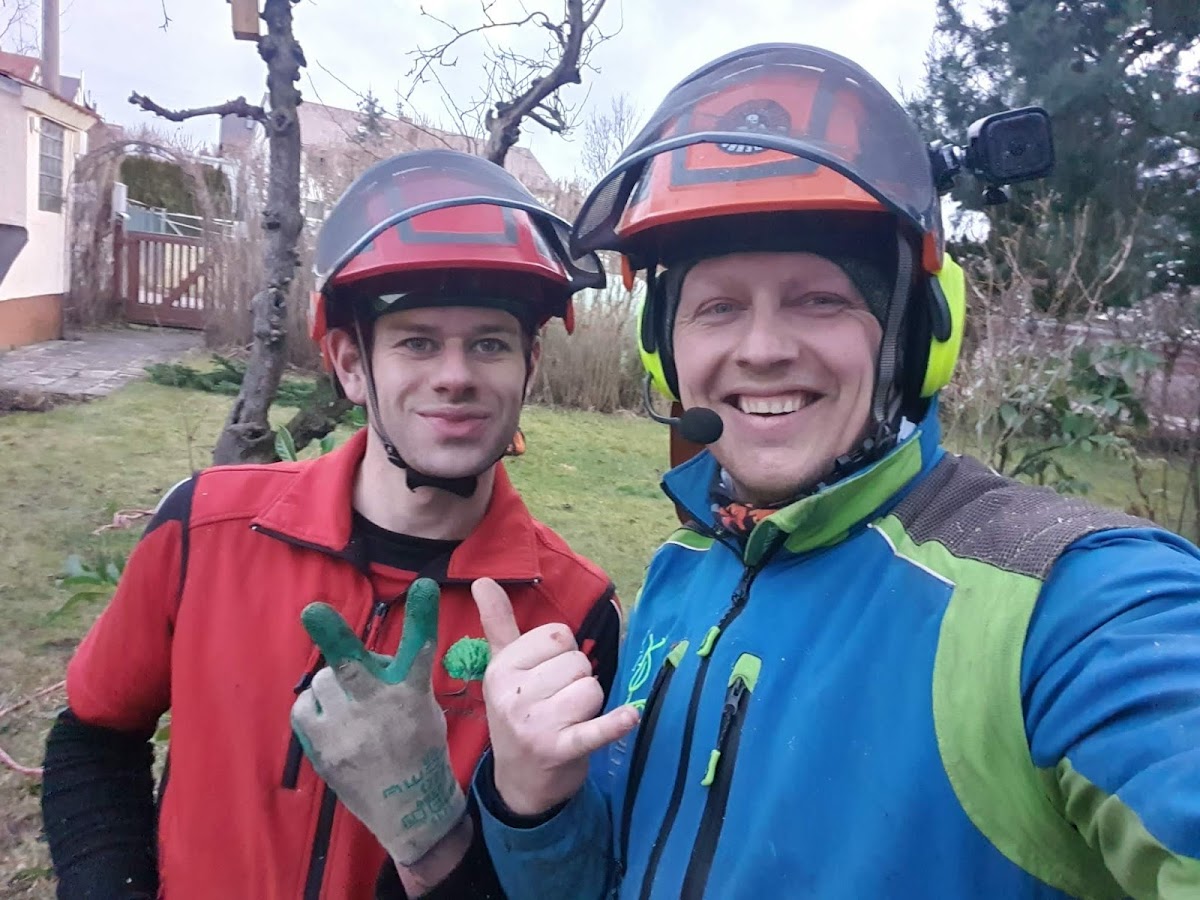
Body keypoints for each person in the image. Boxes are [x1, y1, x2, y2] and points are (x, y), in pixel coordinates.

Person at [470, 44, 1200, 899]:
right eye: (718, 306)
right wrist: (535, 804)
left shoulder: (1065, 604)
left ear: (915, 338)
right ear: (663, 349)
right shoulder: (680, 572)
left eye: (820, 298)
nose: (763, 349)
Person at [40, 149, 624, 899]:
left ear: (529, 367)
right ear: (351, 365)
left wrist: (432, 827)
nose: (456, 375)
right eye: (417, 341)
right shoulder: (205, 528)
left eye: (489, 343)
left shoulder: (571, 615)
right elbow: (93, 736)